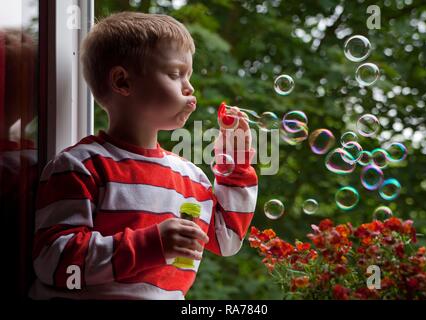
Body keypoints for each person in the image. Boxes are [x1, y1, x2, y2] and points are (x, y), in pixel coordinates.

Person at [29, 12, 258, 300]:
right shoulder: (80, 166)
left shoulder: (191, 178)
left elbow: (228, 239)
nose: (189, 87)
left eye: (189, 75)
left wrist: (235, 164)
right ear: (122, 82)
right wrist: (151, 244)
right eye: (175, 74)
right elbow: (55, 261)